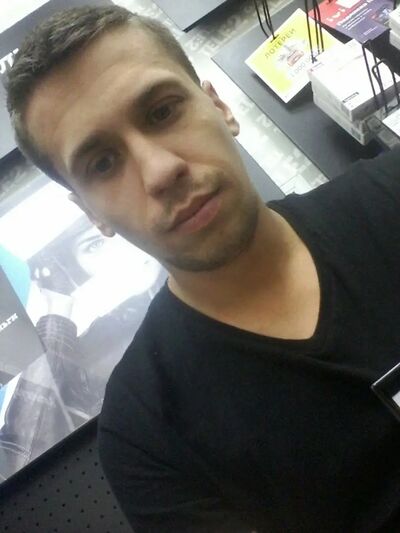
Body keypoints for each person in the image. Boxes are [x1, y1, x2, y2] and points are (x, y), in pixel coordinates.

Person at [5, 5, 400, 532]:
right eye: (102, 163)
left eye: (162, 112)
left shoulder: (392, 195)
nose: (161, 171)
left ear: (219, 106)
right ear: (91, 213)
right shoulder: (146, 433)